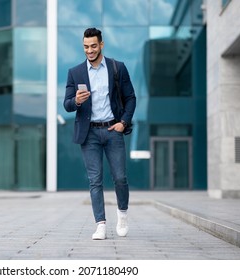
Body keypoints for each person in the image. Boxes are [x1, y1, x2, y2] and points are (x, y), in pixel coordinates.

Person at [64, 27, 136, 240]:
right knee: (95, 180)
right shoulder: (75, 73)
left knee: (120, 177)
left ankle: (122, 213)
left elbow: (130, 98)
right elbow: (67, 105)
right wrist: (76, 100)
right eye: (86, 47)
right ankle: (101, 224)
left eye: (93, 46)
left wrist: (124, 122)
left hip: (113, 130)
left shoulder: (117, 68)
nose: (89, 50)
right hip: (90, 134)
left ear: (101, 45)